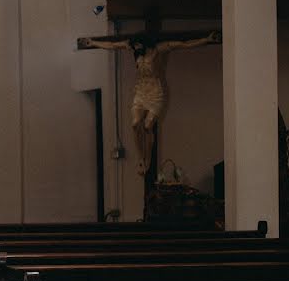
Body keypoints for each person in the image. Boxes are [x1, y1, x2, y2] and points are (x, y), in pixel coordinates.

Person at [78, 30, 221, 175]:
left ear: (146, 44)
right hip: (140, 91)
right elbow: (112, 45)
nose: (136, 49)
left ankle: (148, 159)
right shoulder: (133, 47)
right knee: (135, 124)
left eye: (139, 47)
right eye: (135, 47)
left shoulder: (158, 50)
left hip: (156, 93)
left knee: (147, 126)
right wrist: (93, 42)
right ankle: (141, 157)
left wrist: (206, 39)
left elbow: (184, 44)